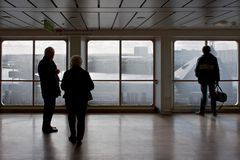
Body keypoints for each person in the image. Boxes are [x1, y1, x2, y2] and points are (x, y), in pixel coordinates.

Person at [61, 55, 94, 144]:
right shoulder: (85, 73)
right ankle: (79, 138)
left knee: (71, 118)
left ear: (71, 63)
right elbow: (91, 86)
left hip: (70, 99)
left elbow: (63, 86)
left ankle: (73, 136)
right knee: (81, 119)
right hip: (82, 99)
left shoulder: (67, 73)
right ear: (80, 63)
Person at [38, 47, 61, 133]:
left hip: (51, 89)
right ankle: (46, 127)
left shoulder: (48, 62)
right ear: (48, 53)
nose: (53, 55)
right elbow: (45, 76)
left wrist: (55, 72)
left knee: (49, 108)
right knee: (48, 108)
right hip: (48, 90)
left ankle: (47, 125)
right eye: (52, 53)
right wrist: (55, 72)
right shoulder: (44, 63)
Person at [195, 45, 220, 116]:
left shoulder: (200, 59)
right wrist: (217, 80)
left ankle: (202, 111)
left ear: (203, 51)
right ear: (209, 50)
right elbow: (216, 70)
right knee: (213, 96)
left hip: (203, 80)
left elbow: (197, 70)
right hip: (212, 80)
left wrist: (198, 77)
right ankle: (214, 112)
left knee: (204, 96)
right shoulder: (214, 59)